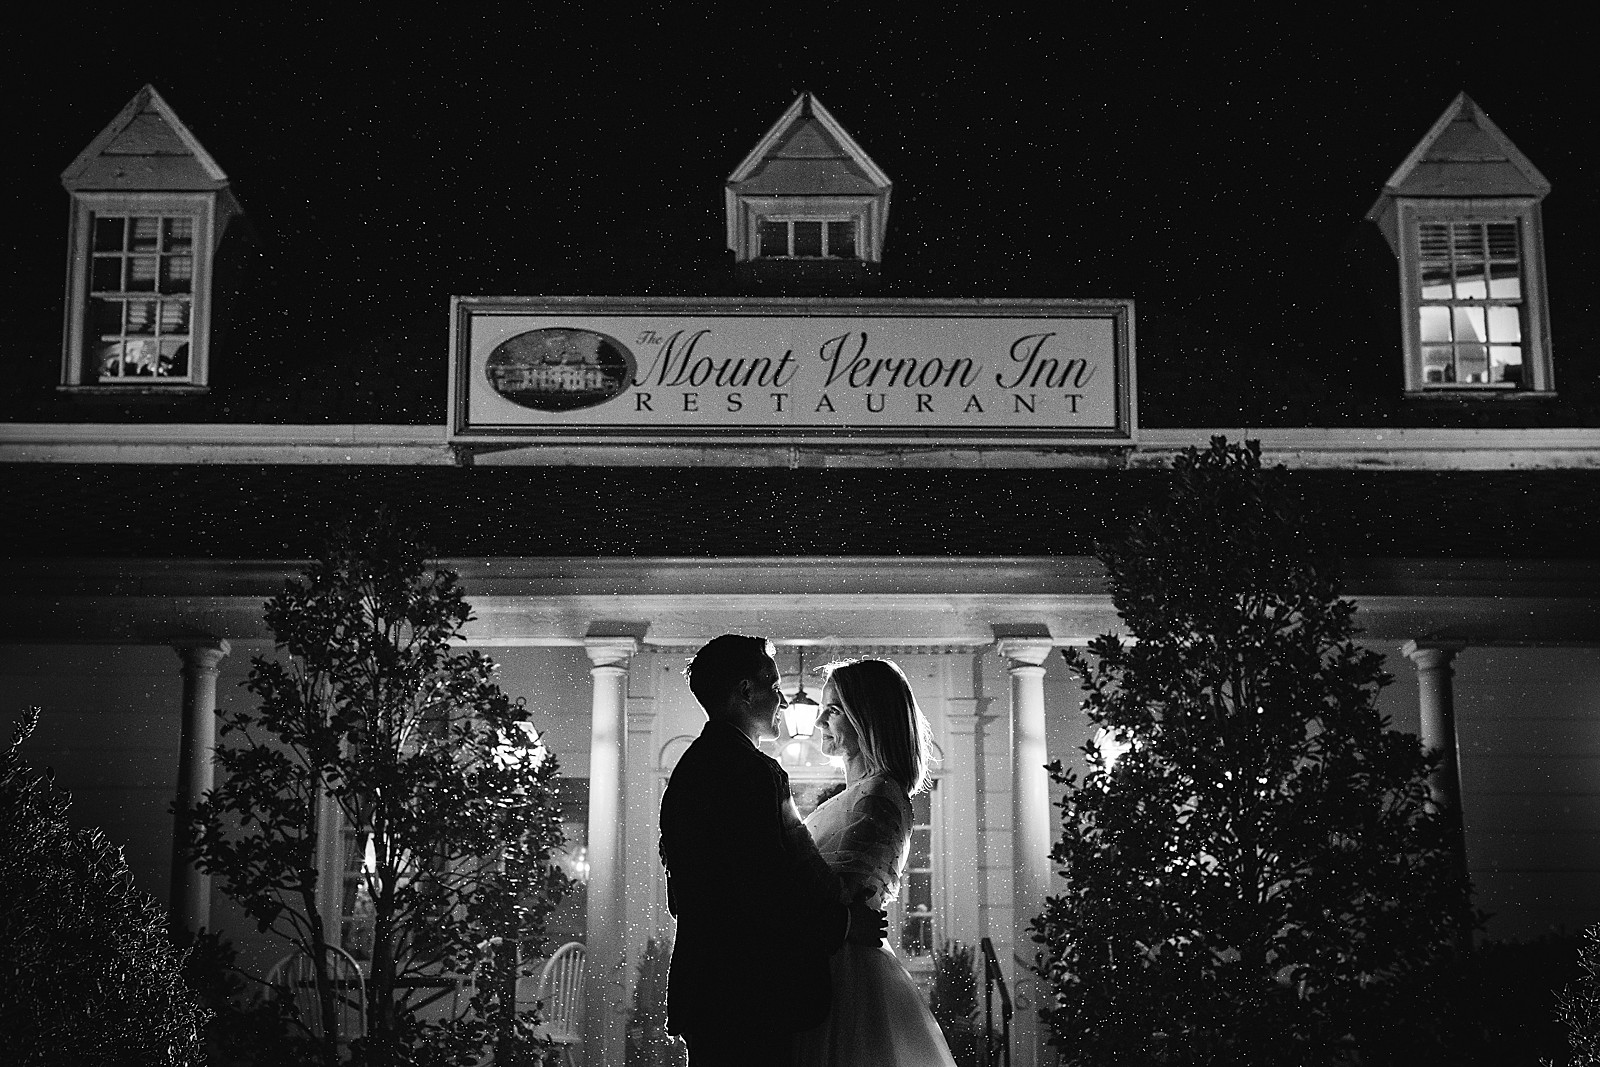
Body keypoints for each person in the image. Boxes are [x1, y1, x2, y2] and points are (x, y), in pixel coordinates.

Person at [658, 634, 887, 1067]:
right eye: (775, 686)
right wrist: (843, 925)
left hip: (712, 988)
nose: (783, 700)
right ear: (745, 692)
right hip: (749, 994)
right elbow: (765, 888)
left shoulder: (694, 767)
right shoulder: (749, 773)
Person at [792, 657, 959, 1067]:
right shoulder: (857, 796)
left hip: (841, 975)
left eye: (832, 710)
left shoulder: (877, 797)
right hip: (825, 964)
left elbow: (835, 895)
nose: (818, 723)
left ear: (867, 719)